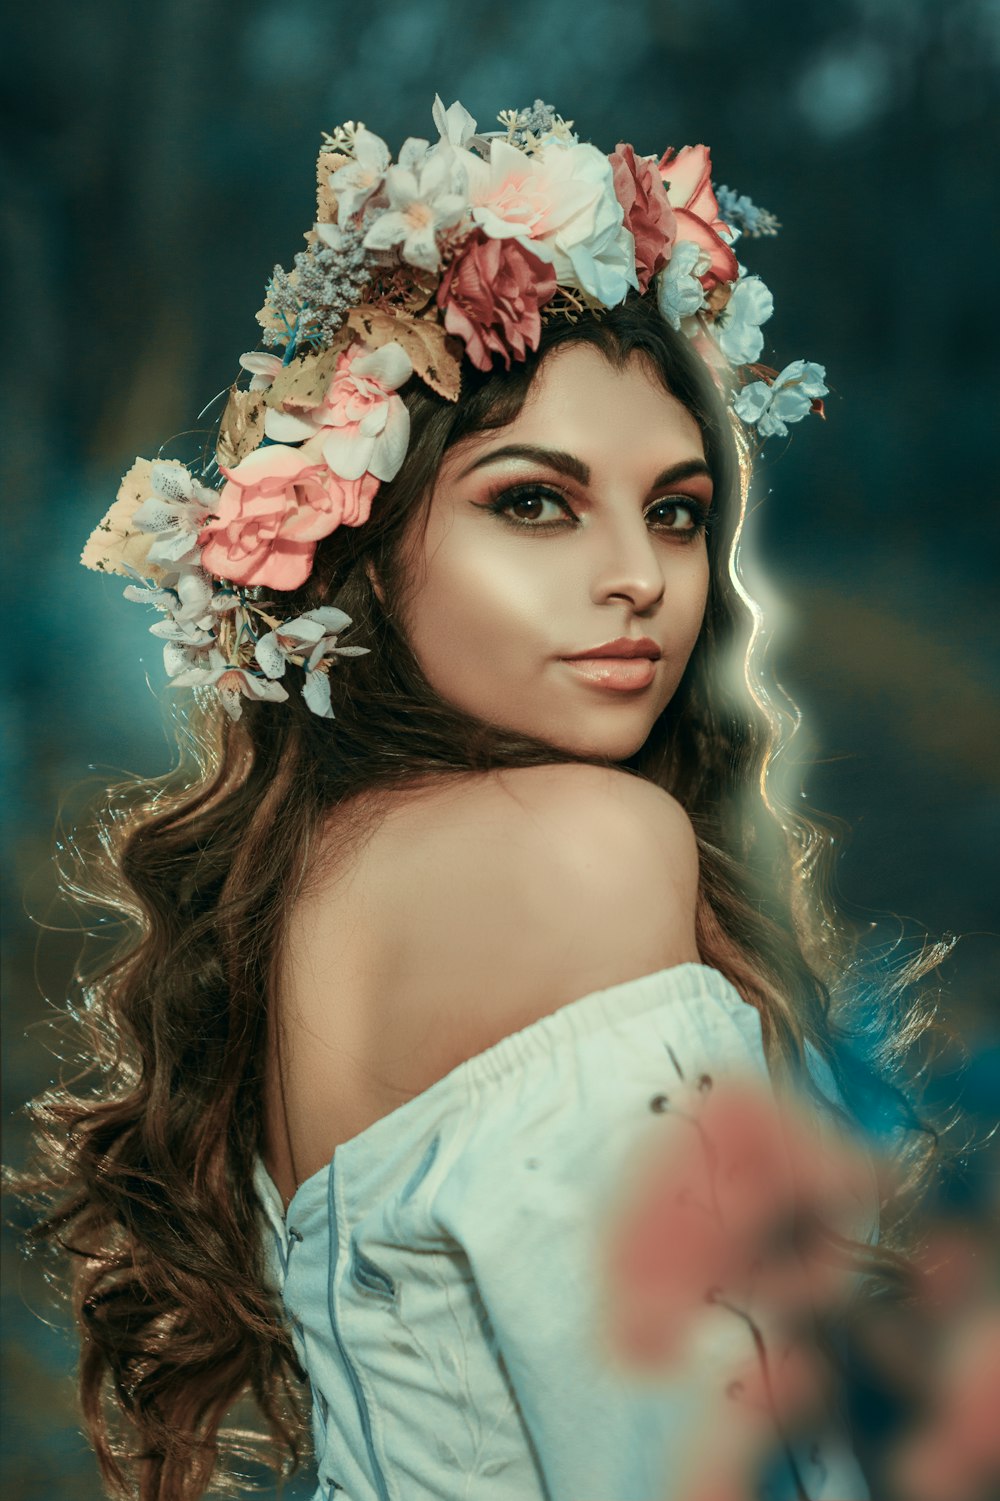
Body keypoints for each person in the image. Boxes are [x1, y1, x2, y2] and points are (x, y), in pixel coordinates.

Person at [18, 97, 937, 1501]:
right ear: (370, 550)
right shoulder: (581, 848)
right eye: (535, 502)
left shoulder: (331, 865)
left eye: (677, 508)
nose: (640, 574)